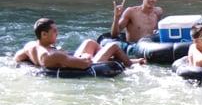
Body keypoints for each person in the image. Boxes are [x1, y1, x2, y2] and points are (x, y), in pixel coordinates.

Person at [14, 18, 144, 69]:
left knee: (89, 42)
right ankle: (130, 65)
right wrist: (85, 58)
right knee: (113, 46)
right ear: (44, 34)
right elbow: (85, 65)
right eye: (54, 31)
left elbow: (17, 58)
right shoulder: (51, 55)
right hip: (83, 65)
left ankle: (117, 59)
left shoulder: (30, 46)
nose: (57, 33)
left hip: (70, 60)